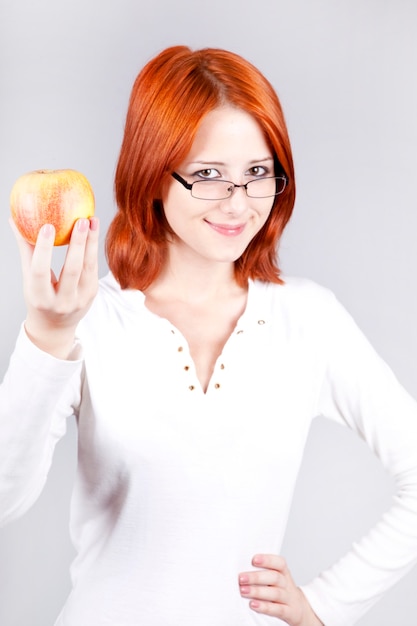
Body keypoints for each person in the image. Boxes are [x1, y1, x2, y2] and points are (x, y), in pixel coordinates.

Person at [1, 45, 417, 626]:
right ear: (152, 171)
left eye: (257, 174)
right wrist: (48, 333)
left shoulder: (308, 320)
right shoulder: (94, 321)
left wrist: (327, 604)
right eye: (207, 176)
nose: (239, 203)